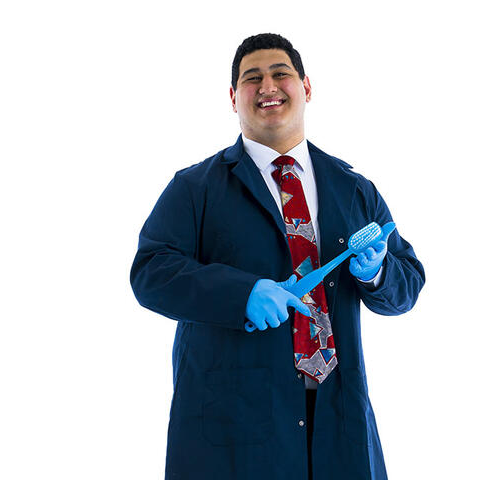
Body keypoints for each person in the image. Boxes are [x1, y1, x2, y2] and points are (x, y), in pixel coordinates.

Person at [130, 33, 425, 480]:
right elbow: (151, 271)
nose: (268, 86)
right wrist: (240, 294)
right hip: (235, 426)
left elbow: (406, 285)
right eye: (252, 79)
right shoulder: (196, 188)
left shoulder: (354, 189)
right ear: (233, 98)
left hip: (336, 422)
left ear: (306, 87)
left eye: (280, 74)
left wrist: (379, 272)